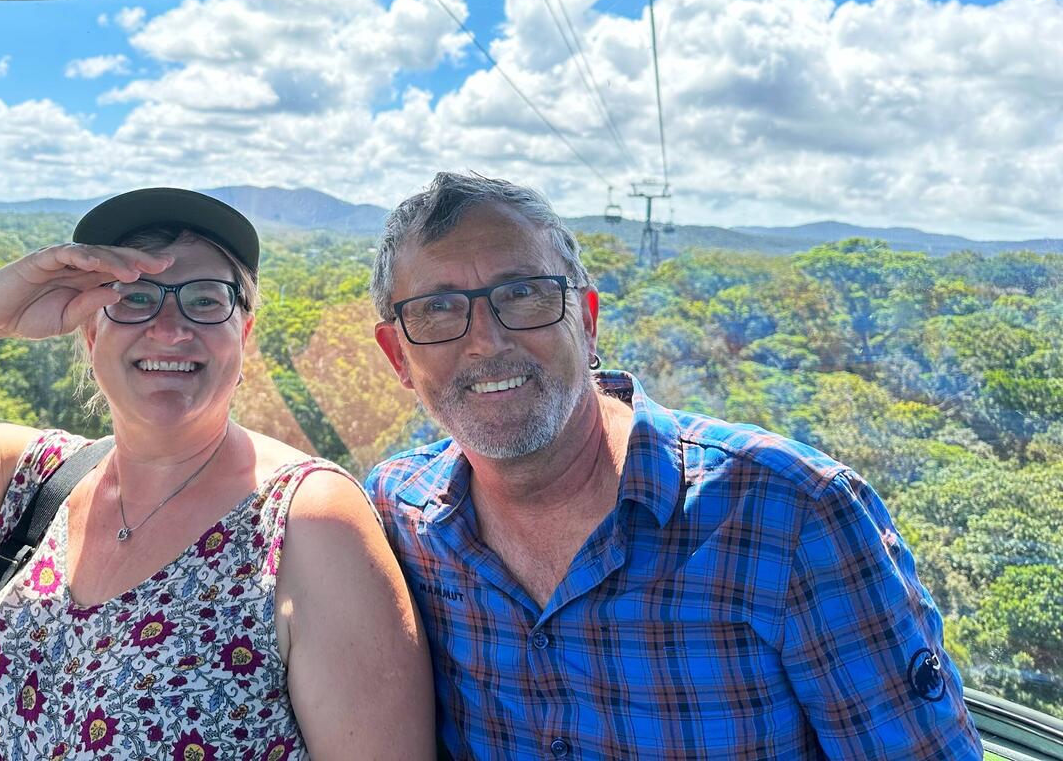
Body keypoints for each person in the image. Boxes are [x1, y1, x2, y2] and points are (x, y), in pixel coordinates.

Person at [0, 187, 433, 761]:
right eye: (133, 297)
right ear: (91, 332)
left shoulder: (306, 522)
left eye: (205, 299)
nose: (170, 328)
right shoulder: (36, 483)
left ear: (242, 336)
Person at [364, 172, 983, 760]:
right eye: (438, 309)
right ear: (397, 357)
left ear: (587, 320)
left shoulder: (794, 518)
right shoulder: (397, 514)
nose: (486, 341)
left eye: (522, 294)